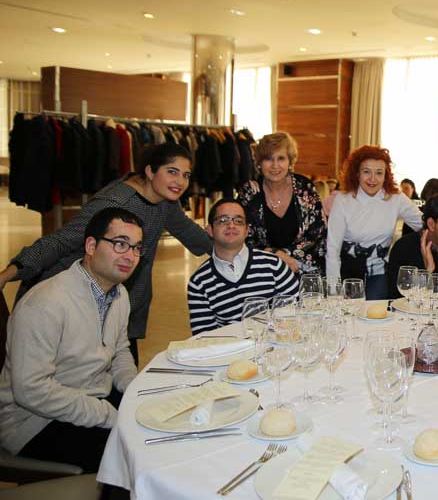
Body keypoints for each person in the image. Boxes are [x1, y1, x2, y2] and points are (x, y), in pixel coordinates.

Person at [0, 143, 211, 362]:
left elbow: (190, 232)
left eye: (186, 175)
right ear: (150, 171)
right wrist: (8, 274)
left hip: (119, 302)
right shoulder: (116, 202)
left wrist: (230, 246)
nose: (180, 182)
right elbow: (61, 241)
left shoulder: (164, 200)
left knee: (121, 367)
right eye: (172, 172)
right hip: (75, 297)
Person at [0, 208, 141, 472]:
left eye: (136, 248)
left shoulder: (119, 294)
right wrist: (107, 414)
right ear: (91, 246)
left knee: (156, 427)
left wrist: (134, 391)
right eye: (120, 244)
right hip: (33, 421)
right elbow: (31, 390)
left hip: (89, 396)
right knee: (131, 456)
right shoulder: (45, 303)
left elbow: (120, 351)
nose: (130, 256)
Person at [187, 199, 299, 334]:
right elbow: (204, 338)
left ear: (247, 230)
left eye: (238, 221)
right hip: (228, 346)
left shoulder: (273, 265)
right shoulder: (199, 282)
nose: (231, 225)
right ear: (210, 230)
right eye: (223, 220)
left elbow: (299, 312)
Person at [327, 145, 422, 299]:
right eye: (366, 172)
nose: (373, 179)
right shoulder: (343, 200)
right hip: (347, 273)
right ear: (357, 173)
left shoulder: (396, 198)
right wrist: (334, 291)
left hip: (379, 272)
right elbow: (332, 249)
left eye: (379, 173)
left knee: (375, 311)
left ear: (386, 175)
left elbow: (425, 225)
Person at [236, 132, 326, 275]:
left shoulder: (305, 188)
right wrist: (275, 254)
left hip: (304, 273)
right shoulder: (249, 193)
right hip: (262, 273)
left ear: (290, 161)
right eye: (268, 159)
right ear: (259, 162)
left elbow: (318, 233)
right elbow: (242, 238)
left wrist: (286, 256)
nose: (275, 165)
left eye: (281, 158)